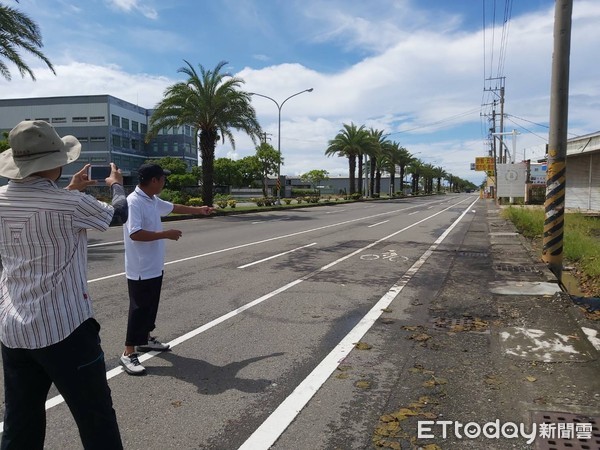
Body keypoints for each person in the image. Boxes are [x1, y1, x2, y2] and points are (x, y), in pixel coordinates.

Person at [0, 120, 127, 449]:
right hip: (66, 330)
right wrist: (116, 185)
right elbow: (118, 215)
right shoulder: (69, 205)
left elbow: (38, 212)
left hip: (13, 329)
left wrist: (71, 189)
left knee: (20, 421)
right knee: (96, 418)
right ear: (55, 163)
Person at [120, 163, 215, 375]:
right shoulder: (134, 202)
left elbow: (173, 207)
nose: (165, 181)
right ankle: (128, 352)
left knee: (150, 307)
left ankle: (145, 340)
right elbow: (134, 233)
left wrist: (199, 210)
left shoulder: (152, 200)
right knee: (139, 309)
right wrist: (165, 234)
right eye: (163, 178)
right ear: (154, 180)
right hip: (140, 268)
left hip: (154, 265)